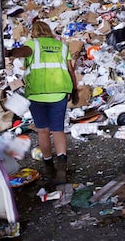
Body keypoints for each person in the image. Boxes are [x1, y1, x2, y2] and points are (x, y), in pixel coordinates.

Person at [21, 20, 79, 184]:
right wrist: (74, 90)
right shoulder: (61, 46)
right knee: (58, 130)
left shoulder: (31, 45)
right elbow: (70, 70)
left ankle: (48, 167)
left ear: (34, 32)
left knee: (43, 131)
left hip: (37, 95)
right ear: (48, 30)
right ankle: (62, 168)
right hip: (59, 94)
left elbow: (22, 54)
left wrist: (9, 53)